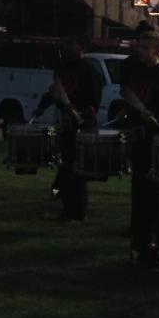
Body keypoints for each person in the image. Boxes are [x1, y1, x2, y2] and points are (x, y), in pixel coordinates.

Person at [121, 31, 159, 265]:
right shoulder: (136, 74)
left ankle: (155, 237)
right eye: (140, 47)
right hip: (139, 139)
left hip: (156, 142)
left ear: (158, 51)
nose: (140, 51)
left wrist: (154, 118)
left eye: (145, 47)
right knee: (138, 188)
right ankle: (138, 236)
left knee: (153, 191)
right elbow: (130, 97)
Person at [32, 34, 102, 221]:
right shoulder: (61, 69)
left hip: (83, 126)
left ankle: (75, 212)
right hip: (66, 125)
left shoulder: (90, 71)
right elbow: (55, 91)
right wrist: (41, 107)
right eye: (65, 44)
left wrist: (78, 115)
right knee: (66, 167)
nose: (65, 48)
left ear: (81, 47)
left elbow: (93, 105)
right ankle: (61, 200)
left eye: (71, 44)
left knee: (76, 171)